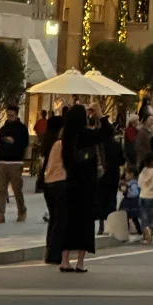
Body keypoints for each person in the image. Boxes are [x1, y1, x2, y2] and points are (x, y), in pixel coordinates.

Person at [60, 103, 98, 272]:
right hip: (86, 183)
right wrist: (100, 115)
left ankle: (65, 260)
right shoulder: (86, 134)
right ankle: (80, 262)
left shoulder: (66, 137)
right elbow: (106, 134)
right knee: (85, 223)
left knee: (68, 221)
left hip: (70, 182)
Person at [0, 101, 28, 224]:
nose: (9, 117)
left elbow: (24, 144)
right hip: (2, 161)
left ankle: (22, 211)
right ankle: (0, 214)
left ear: (16, 115)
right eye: (8, 115)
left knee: (17, 189)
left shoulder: (22, 129)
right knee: (1, 189)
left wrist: (14, 142)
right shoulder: (3, 128)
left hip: (15, 162)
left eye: (11, 115)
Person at [39, 114, 67, 263]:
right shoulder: (60, 144)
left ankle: (50, 251)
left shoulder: (47, 143)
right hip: (59, 181)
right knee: (59, 220)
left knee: (53, 219)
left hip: (48, 182)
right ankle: (55, 253)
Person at [95, 116, 123, 236]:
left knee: (101, 199)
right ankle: (111, 225)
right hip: (114, 173)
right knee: (112, 199)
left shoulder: (99, 145)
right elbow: (122, 160)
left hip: (102, 175)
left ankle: (101, 226)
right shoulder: (116, 144)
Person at [119, 165, 143, 237]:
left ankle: (136, 231)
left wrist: (128, 190)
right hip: (129, 202)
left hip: (131, 203)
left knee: (131, 217)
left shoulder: (134, 184)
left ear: (132, 174)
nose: (125, 176)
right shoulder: (130, 183)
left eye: (127, 174)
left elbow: (134, 193)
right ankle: (137, 231)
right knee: (131, 217)